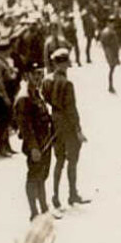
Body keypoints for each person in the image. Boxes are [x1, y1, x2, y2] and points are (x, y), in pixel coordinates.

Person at [13, 62, 55, 220]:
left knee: (42, 176)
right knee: (33, 176)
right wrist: (33, 148)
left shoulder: (35, 92)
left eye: (40, 74)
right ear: (27, 75)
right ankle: (34, 211)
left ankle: (44, 207)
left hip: (44, 141)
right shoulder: (24, 97)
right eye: (35, 74)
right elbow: (25, 127)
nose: (38, 78)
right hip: (36, 144)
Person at [46, 48, 86, 208]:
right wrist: (78, 129)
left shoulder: (47, 80)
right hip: (67, 124)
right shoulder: (67, 83)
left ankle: (55, 195)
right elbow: (71, 109)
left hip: (54, 123)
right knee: (73, 160)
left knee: (59, 160)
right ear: (63, 64)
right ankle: (72, 194)